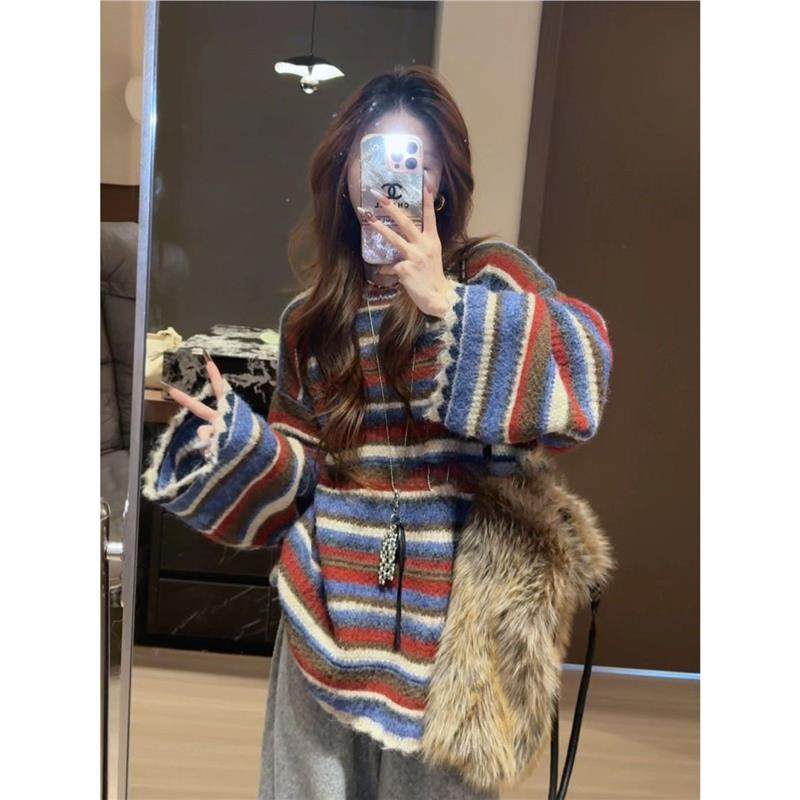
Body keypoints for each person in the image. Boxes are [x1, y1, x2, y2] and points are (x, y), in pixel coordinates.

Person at [141, 66, 613, 800]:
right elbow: (305, 482)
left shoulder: (489, 277)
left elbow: (584, 376)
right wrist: (241, 449)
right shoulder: (313, 320)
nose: (390, 182)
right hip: (327, 614)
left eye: (413, 162)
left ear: (440, 183)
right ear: (346, 175)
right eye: (373, 157)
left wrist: (445, 302)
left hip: (457, 641)